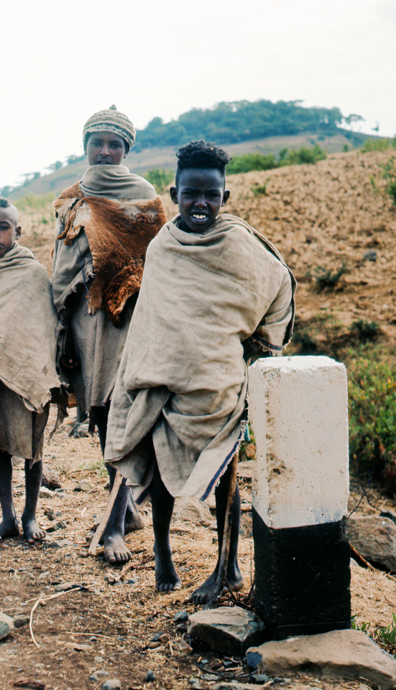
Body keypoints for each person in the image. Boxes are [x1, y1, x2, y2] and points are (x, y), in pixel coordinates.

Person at [105, 140, 296, 602]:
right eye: (191, 194)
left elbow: (278, 284)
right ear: (175, 193)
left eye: (212, 195)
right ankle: (163, 550)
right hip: (161, 378)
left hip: (216, 383)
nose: (201, 204)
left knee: (226, 477)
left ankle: (226, 565)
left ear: (226, 197)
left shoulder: (238, 244)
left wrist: (264, 343)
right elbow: (155, 313)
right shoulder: (163, 246)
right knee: (164, 471)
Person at [52, 105, 167, 564]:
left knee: (125, 410)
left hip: (131, 320)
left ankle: (116, 524)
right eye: (97, 142)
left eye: (114, 144)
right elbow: (61, 265)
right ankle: (124, 505)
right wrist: (62, 323)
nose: (105, 151)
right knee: (100, 411)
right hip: (84, 321)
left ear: (126, 150)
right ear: (85, 147)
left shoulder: (143, 197)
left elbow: (160, 262)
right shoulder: (70, 198)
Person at [0, 199, 61, 544]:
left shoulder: (33, 272)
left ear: (18, 231)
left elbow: (44, 321)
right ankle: (7, 517)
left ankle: (30, 514)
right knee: (0, 449)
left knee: (33, 449)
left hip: (28, 373)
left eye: (3, 227)